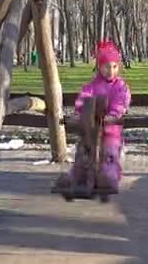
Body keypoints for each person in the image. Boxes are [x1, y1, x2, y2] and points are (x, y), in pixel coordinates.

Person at [55, 40, 131, 194]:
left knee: (109, 151)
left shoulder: (120, 86)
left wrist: (113, 115)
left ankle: (109, 177)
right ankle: (77, 175)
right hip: (91, 129)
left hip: (110, 130)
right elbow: (84, 97)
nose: (111, 70)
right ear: (99, 67)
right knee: (84, 149)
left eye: (114, 66)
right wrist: (80, 111)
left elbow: (121, 102)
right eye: (106, 66)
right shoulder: (93, 85)